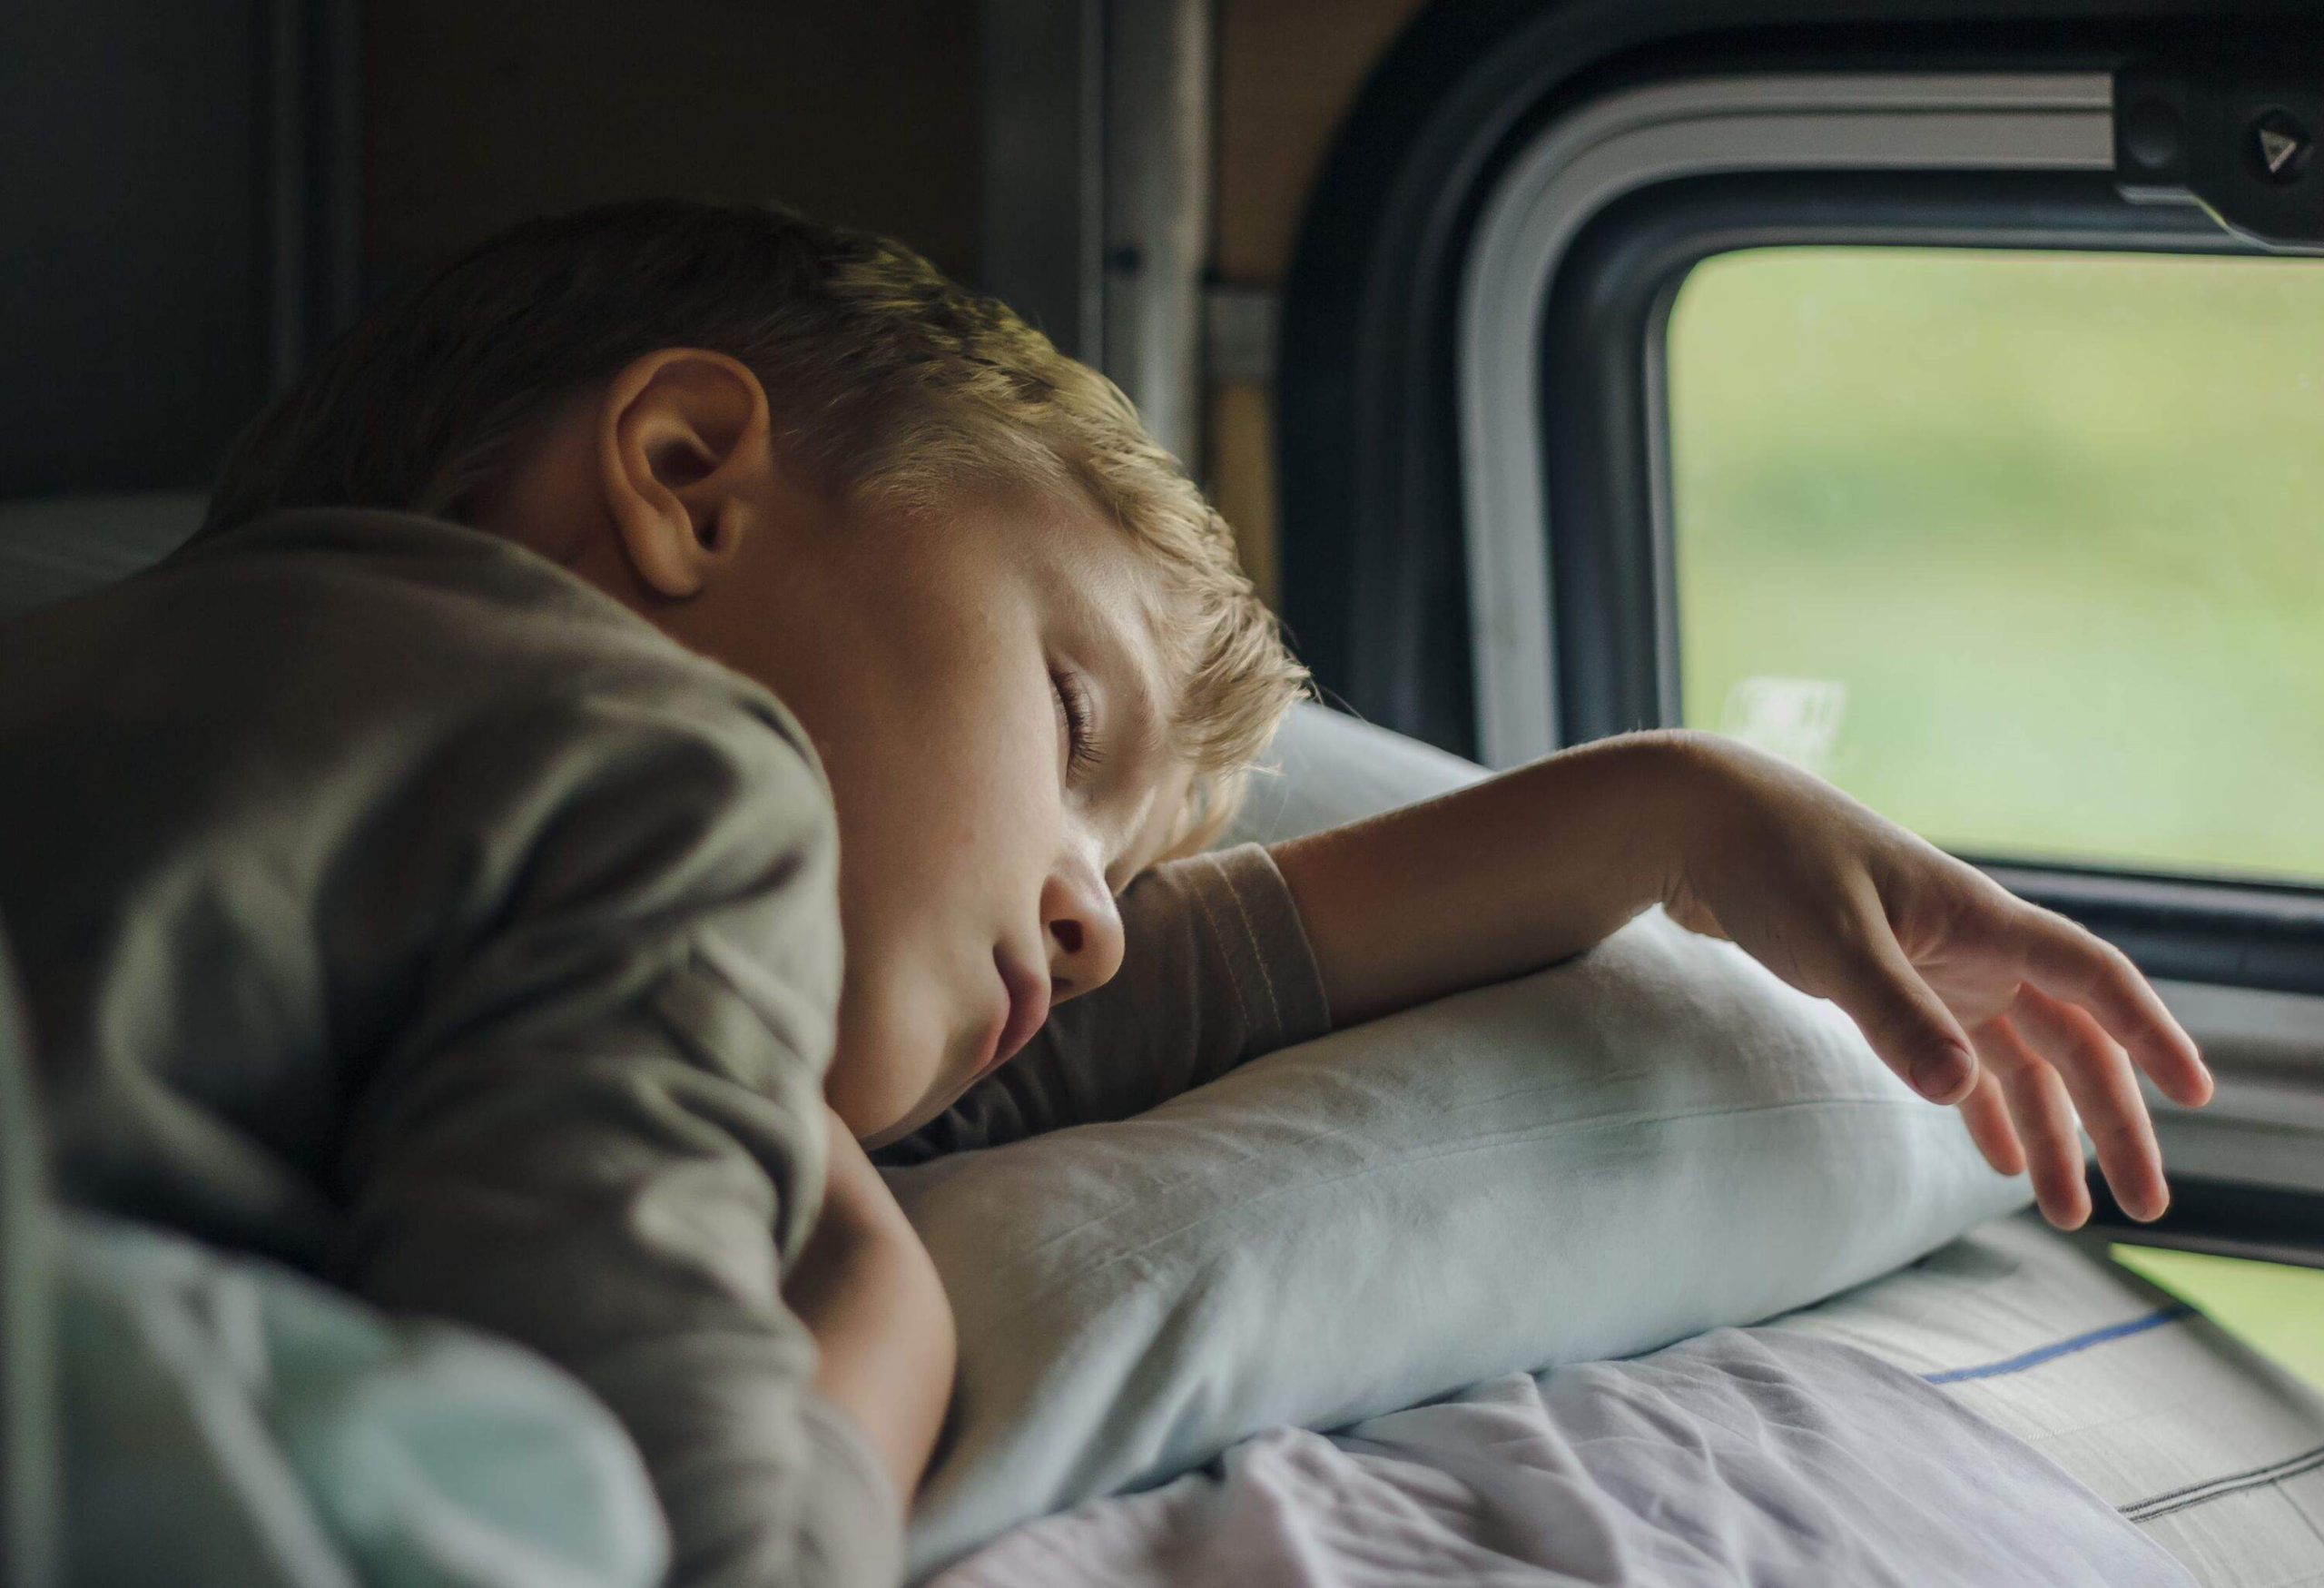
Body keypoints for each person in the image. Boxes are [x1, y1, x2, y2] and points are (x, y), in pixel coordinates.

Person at [0, 200, 2211, 1587]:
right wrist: (874, 1330)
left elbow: (1207, 971)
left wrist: (1670, 806)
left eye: (1111, 872)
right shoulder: (646, 767)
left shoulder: (274, 768)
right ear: (685, 483)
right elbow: (644, 1480)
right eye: (1072, 730)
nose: (1078, 919)